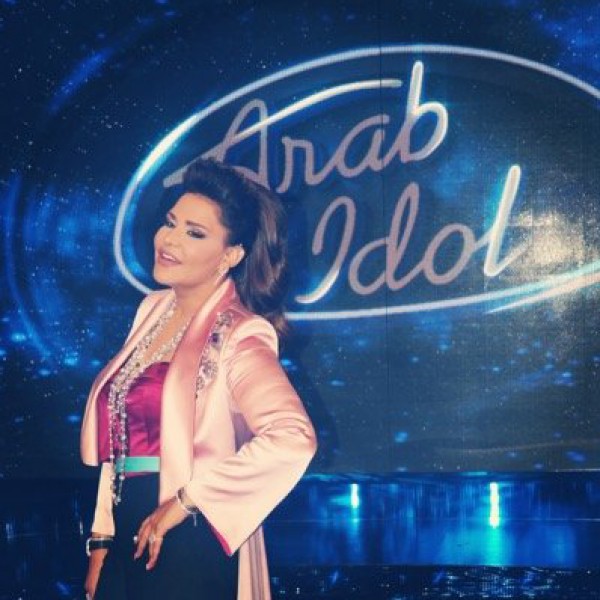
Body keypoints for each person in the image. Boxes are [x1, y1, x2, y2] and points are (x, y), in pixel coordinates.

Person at [80, 157, 317, 599]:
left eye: (194, 233)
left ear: (230, 255)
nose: (169, 240)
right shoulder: (151, 309)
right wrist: (101, 538)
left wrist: (187, 501)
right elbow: (120, 437)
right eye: (170, 223)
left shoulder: (240, 333)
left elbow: (292, 437)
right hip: (129, 524)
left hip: (187, 533)